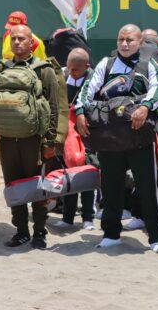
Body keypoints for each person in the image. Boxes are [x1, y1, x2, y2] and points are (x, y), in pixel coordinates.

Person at [75, 24, 158, 254]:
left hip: (139, 137)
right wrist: (79, 112)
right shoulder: (105, 64)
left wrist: (146, 106)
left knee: (147, 188)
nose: (125, 44)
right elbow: (88, 90)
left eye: (130, 40)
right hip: (110, 137)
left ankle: (156, 237)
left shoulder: (149, 64)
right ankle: (111, 234)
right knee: (111, 187)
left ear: (140, 42)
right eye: (121, 40)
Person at [0, 25, 61, 249]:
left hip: (35, 140)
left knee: (38, 187)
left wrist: (51, 141)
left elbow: (55, 106)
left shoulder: (44, 70)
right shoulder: (1, 68)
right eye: (13, 39)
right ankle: (21, 230)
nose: (17, 42)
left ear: (31, 42)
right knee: (13, 186)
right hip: (8, 139)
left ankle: (39, 231)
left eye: (21, 39)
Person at [53, 47, 96, 231]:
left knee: (86, 174)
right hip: (67, 133)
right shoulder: (63, 76)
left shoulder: (95, 79)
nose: (71, 72)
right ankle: (68, 217)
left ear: (86, 66)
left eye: (76, 69)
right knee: (68, 174)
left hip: (87, 134)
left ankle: (88, 218)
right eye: (69, 68)